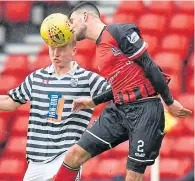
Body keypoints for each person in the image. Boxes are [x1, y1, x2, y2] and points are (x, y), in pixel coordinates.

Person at [53, 2, 192, 181]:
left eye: (72, 21)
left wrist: (170, 102)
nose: (70, 27)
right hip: (118, 110)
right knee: (74, 155)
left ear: (85, 16)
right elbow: (122, 84)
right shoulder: (100, 48)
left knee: (132, 176)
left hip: (145, 111)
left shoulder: (119, 32)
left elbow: (150, 65)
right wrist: (93, 101)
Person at [0, 28, 110, 180]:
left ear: (74, 50)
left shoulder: (88, 79)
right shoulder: (37, 77)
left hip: (64, 159)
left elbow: (118, 93)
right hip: (35, 162)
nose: (55, 53)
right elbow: (10, 102)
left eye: (61, 48)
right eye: (52, 47)